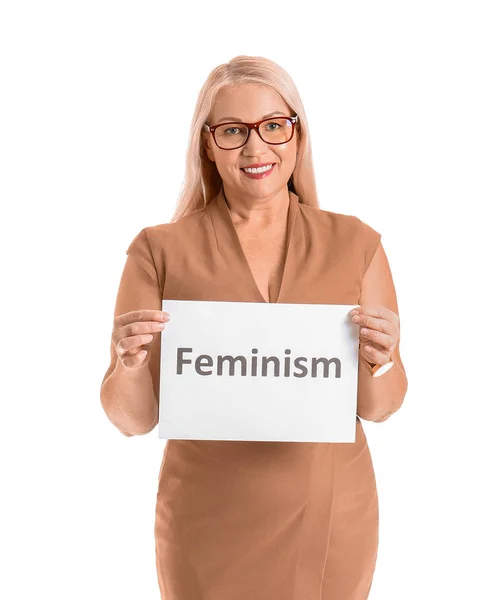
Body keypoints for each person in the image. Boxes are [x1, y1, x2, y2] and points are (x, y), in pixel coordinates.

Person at [100, 55, 408, 600]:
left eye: (273, 125)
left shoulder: (356, 244)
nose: (255, 147)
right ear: (206, 144)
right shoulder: (158, 251)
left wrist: (383, 358)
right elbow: (133, 421)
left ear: (297, 134)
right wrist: (128, 366)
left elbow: (379, 407)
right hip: (206, 523)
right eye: (233, 131)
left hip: (330, 515)